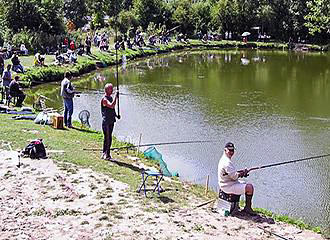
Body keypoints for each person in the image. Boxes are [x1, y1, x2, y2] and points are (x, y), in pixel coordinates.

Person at [218, 142, 256, 215]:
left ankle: (241, 205)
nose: (231, 152)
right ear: (225, 150)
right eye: (230, 150)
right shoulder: (227, 162)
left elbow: (231, 173)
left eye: (233, 150)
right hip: (227, 186)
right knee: (250, 188)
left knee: (245, 183)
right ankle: (248, 208)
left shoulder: (224, 159)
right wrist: (242, 173)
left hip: (226, 183)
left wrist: (241, 173)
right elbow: (234, 176)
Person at [101, 83, 119, 160]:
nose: (112, 90)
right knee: (107, 138)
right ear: (106, 90)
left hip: (111, 120)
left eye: (112, 89)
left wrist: (116, 115)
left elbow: (112, 109)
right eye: (110, 89)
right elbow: (111, 105)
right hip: (106, 122)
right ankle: (106, 155)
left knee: (109, 138)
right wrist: (116, 97)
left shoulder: (110, 97)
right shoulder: (104, 99)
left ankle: (105, 153)